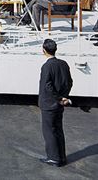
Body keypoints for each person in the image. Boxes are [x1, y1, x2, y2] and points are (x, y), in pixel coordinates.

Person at [38, 39, 72, 167]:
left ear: (44, 50)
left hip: (49, 104)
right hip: (60, 104)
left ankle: (53, 158)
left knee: (49, 131)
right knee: (58, 130)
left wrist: (58, 98)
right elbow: (69, 82)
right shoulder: (63, 64)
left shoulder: (47, 66)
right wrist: (64, 97)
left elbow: (47, 86)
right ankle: (62, 157)